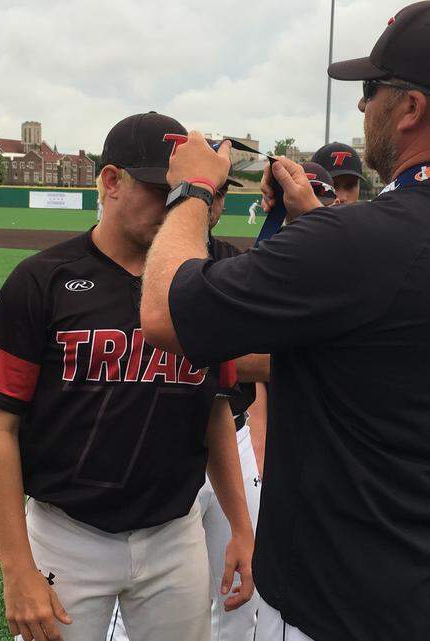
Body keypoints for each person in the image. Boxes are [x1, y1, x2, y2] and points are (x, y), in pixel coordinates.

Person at [139, 3, 430, 640]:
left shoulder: (358, 241)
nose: (360, 108)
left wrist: (192, 192)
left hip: (341, 606)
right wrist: (311, 224)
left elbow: (165, 314)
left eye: (371, 90)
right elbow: (366, 353)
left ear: (410, 110)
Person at [0, 111, 255, 641]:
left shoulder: (205, 281)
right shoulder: (43, 279)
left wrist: (239, 526)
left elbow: (217, 405)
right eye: (156, 189)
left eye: (181, 193)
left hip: (175, 533)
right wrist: (16, 567)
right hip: (67, 534)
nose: (173, 206)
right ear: (110, 181)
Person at [108, 174, 264, 641]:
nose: (213, 203)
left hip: (227, 432)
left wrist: (207, 346)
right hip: (156, 436)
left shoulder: (235, 261)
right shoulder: (136, 262)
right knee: (141, 590)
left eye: (219, 193)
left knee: (237, 586)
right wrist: (215, 344)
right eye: (205, 190)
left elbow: (277, 353)